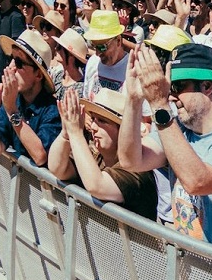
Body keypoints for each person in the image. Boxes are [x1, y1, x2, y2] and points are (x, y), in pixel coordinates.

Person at [118, 43, 212, 261]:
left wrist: (159, 104)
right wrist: (133, 101)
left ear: (207, 86)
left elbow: (197, 182)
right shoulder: (178, 131)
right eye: (168, 89)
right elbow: (130, 160)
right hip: (195, 271)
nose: (171, 96)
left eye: (178, 87)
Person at [49, 87, 158, 220]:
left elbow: (97, 186)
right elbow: (56, 168)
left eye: (102, 121)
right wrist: (66, 134)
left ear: (123, 131)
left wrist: (76, 133)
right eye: (93, 119)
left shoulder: (137, 170)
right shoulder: (95, 156)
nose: (93, 127)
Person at [0, 30, 62, 165]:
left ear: (38, 75)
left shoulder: (52, 110)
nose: (11, 67)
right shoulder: (14, 100)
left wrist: (12, 111)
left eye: (19, 63)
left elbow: (40, 157)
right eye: (11, 59)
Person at [83, 10, 130, 98]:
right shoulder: (93, 62)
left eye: (102, 47)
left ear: (118, 41)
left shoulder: (132, 70)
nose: (97, 53)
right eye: (94, 46)